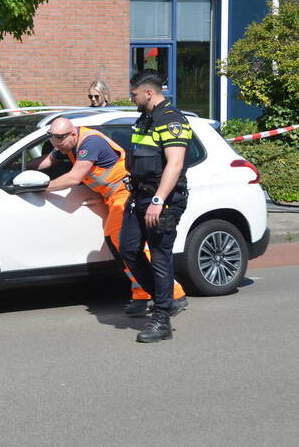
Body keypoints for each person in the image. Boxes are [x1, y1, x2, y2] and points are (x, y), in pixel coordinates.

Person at [33, 117, 185, 313]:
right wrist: (20, 168)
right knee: (125, 247)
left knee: (123, 243)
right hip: (111, 196)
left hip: (125, 193)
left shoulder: (90, 142)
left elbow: (75, 177)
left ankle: (174, 293)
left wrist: (43, 186)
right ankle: (142, 295)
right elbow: (48, 160)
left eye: (61, 144)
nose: (60, 149)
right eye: (56, 144)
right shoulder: (66, 142)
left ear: (72, 133)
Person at [121, 69, 192, 343]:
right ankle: (165, 300)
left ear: (149, 92)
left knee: (161, 257)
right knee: (128, 248)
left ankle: (162, 320)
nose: (131, 97)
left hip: (162, 201)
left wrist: (158, 201)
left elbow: (174, 164)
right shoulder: (146, 119)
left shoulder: (171, 119)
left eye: (134, 93)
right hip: (139, 197)